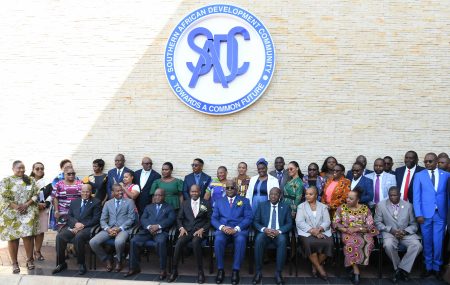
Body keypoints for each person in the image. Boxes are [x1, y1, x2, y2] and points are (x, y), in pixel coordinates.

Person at [413, 152, 450, 280]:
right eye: (425, 162)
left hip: (440, 214)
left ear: (436, 162)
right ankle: (428, 267)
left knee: (438, 242)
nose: (427, 163)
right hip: (424, 215)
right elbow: (416, 196)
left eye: (430, 161)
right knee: (427, 242)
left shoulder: (446, 175)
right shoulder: (419, 176)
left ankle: (437, 267)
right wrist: (418, 214)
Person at [125, 188, 176, 280]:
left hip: (161, 232)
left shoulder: (169, 207)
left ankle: (162, 269)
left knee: (161, 243)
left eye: (159, 195)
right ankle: (134, 268)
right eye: (155, 195)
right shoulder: (149, 207)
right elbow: (143, 219)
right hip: (147, 231)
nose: (157, 197)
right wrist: (149, 227)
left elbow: (170, 220)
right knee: (133, 241)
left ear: (164, 196)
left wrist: (159, 226)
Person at [374, 186, 422, 283]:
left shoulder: (408, 206)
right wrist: (391, 230)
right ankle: (400, 270)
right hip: (390, 233)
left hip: (405, 233)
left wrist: (405, 231)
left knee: (417, 245)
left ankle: (401, 269)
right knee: (388, 245)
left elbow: (414, 224)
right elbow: (377, 222)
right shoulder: (381, 205)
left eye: (395, 195)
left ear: (400, 195)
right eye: (390, 195)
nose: (392, 197)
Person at [332, 188, 379, 285]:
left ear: (358, 200)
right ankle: (356, 270)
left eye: (351, 198)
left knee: (368, 243)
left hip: (363, 232)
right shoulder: (341, 208)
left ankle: (355, 266)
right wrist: (344, 229)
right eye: (347, 198)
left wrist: (358, 229)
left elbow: (370, 225)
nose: (348, 200)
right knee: (351, 244)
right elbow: (335, 223)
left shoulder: (365, 209)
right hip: (348, 233)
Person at [0, 160, 40, 273]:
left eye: (23, 168)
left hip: (27, 212)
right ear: (13, 169)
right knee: (13, 238)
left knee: (28, 236)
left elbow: (36, 194)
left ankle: (30, 260)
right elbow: (3, 197)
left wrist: (26, 205)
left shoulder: (30, 180)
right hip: (11, 214)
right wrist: (17, 207)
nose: (21, 170)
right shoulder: (6, 181)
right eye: (19, 168)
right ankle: (14, 263)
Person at [52, 184, 101, 275]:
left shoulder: (96, 202)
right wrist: (75, 224)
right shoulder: (75, 202)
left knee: (79, 237)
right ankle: (62, 263)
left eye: (87, 192)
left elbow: (96, 219)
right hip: (74, 226)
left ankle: (81, 264)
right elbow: (69, 216)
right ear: (80, 192)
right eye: (83, 191)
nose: (85, 194)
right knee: (60, 236)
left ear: (91, 192)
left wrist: (82, 225)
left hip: (88, 228)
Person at [168, 185, 212, 283]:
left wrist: (203, 229)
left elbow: (210, 220)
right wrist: (181, 228)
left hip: (200, 231)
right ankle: (174, 270)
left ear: (200, 192)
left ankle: (200, 272)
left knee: (196, 242)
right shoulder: (185, 203)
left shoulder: (206, 203)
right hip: (187, 230)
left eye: (196, 191)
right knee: (179, 242)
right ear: (189, 192)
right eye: (192, 191)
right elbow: (179, 218)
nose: (194, 193)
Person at [212, 181, 252, 285]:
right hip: (223, 230)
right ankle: (220, 269)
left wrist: (237, 228)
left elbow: (248, 218)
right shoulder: (219, 201)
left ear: (237, 189)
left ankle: (236, 270)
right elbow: (214, 219)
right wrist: (222, 227)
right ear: (225, 189)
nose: (229, 190)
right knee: (218, 240)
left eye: (232, 188)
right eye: (227, 188)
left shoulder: (245, 201)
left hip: (238, 230)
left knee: (241, 240)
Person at [89, 184, 136, 272]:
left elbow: (131, 219)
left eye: (121, 190)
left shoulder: (129, 202)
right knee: (93, 242)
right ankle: (107, 260)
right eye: (118, 191)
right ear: (112, 192)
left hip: (123, 229)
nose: (121, 192)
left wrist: (120, 228)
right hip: (109, 229)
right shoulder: (108, 203)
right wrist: (108, 229)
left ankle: (119, 260)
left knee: (118, 241)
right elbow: (103, 219)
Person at [252, 187, 292, 285]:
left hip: (279, 234)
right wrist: (264, 229)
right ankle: (258, 272)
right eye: (271, 194)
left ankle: (278, 273)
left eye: (276, 194)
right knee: (258, 239)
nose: (273, 196)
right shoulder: (262, 205)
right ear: (269, 195)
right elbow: (255, 222)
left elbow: (289, 223)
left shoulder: (285, 207)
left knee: (283, 240)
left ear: (280, 196)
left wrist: (279, 231)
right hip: (265, 233)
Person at [296, 186, 333, 281]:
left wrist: (319, 229)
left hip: (322, 231)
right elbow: (299, 222)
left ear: (316, 195)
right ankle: (320, 269)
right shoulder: (301, 206)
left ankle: (314, 266)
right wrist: (313, 231)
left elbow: (327, 221)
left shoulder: (323, 207)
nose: (307, 196)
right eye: (306, 194)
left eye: (310, 194)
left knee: (328, 243)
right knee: (310, 243)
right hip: (307, 232)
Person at [30, 162, 52, 261]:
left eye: (42, 168)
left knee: (40, 231)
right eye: (37, 168)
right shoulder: (28, 181)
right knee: (30, 232)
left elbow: (52, 195)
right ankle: (29, 253)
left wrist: (46, 203)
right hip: (30, 209)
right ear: (33, 170)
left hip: (43, 210)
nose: (40, 170)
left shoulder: (47, 182)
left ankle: (37, 251)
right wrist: (35, 205)